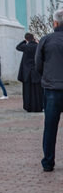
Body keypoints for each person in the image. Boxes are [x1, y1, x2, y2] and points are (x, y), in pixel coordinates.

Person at [37, 10, 63, 172]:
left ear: (55, 23)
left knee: (50, 127)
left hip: (52, 88)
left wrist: (47, 77)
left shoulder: (46, 40)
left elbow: (38, 64)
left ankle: (48, 161)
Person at [17, 33, 45, 112]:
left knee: (28, 91)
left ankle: (28, 107)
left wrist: (24, 41)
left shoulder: (26, 47)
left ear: (26, 39)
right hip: (37, 71)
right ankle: (39, 106)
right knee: (38, 91)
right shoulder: (38, 46)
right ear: (33, 38)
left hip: (27, 73)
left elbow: (18, 47)